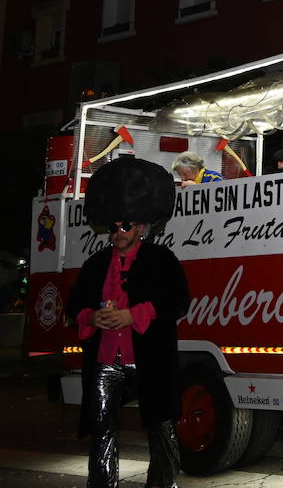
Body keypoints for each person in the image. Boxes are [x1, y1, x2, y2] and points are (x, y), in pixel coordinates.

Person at [67, 156, 189, 488]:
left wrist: (133, 315)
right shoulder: (95, 264)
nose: (117, 233)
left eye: (125, 226)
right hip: (106, 361)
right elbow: (74, 306)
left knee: (161, 425)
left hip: (148, 360)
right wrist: (92, 317)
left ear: (141, 227)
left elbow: (177, 301)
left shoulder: (161, 259)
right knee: (101, 427)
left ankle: (162, 484)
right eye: (113, 227)